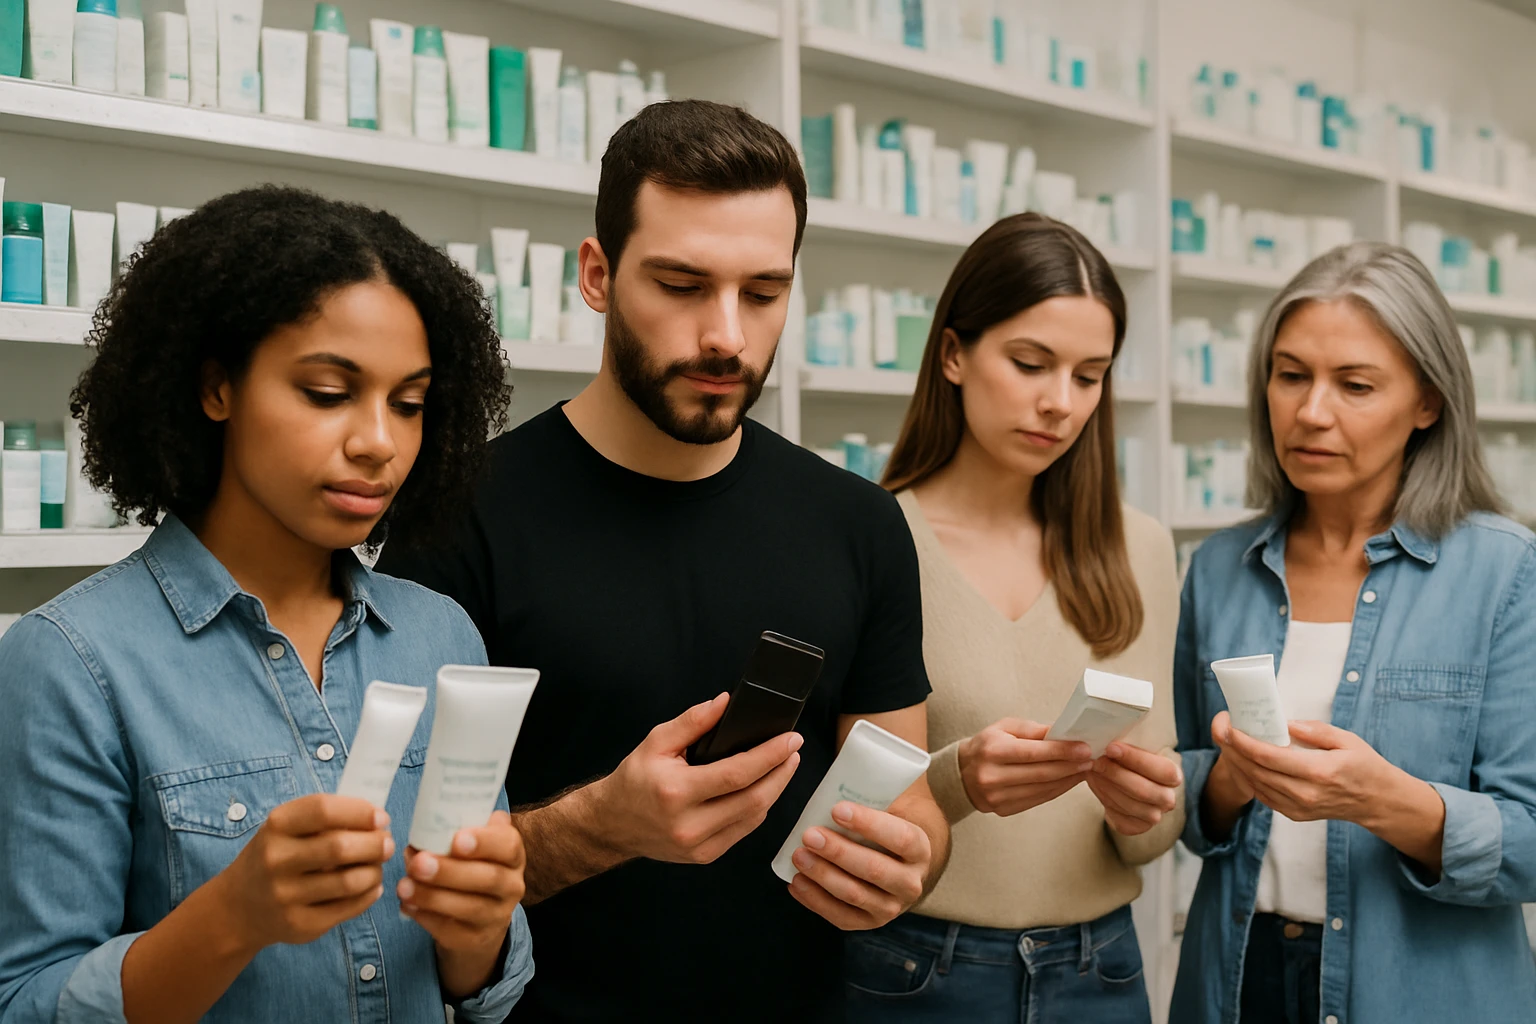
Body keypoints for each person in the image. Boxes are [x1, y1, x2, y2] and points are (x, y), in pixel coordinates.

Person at [375, 99, 950, 1021]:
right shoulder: (460, 510)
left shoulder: (861, 524)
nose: (726, 333)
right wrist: (602, 826)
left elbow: (911, 800)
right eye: (682, 285)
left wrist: (908, 859)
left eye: (763, 293)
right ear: (597, 275)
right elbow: (400, 863)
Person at [0, 186, 534, 1024]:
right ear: (217, 388)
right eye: (328, 392)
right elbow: (27, 1003)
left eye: (409, 403)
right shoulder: (70, 661)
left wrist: (479, 931)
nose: (378, 443)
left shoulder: (439, 635)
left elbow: (480, 993)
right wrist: (234, 916)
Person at [1172, 242, 1536, 1024]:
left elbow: (1531, 840)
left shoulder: (1506, 573)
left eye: (1356, 385)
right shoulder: (1217, 569)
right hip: (1239, 978)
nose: (1311, 412)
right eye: (1291, 374)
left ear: (1427, 402)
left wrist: (1387, 802)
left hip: (1418, 991)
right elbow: (1193, 805)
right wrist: (1232, 780)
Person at [841, 214, 1184, 1021]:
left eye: (1089, 375)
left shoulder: (1140, 547)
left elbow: (1151, 834)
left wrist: (1147, 811)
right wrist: (957, 781)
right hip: (913, 969)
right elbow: (835, 813)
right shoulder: (871, 537)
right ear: (954, 354)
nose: (1059, 403)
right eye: (1030, 363)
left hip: (1101, 972)